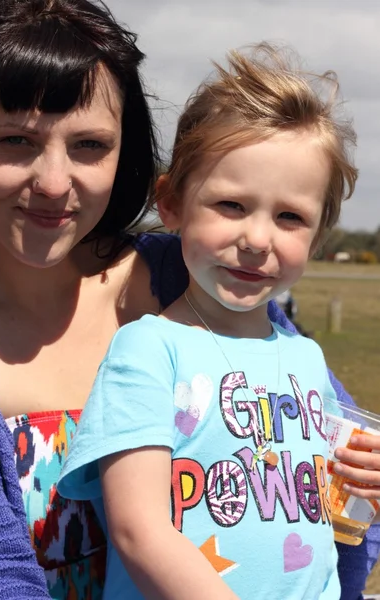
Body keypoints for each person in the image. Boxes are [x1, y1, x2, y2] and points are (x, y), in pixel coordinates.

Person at [0, 0, 377, 597]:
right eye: (16, 139)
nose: (53, 182)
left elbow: (320, 494)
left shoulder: (196, 278)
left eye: (90, 145)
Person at [57, 44, 377, 599]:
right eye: (231, 205)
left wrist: (365, 481)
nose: (257, 239)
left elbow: (321, 511)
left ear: (318, 235)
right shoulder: (149, 351)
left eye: (290, 217)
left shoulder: (307, 359)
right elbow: (140, 530)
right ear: (173, 204)